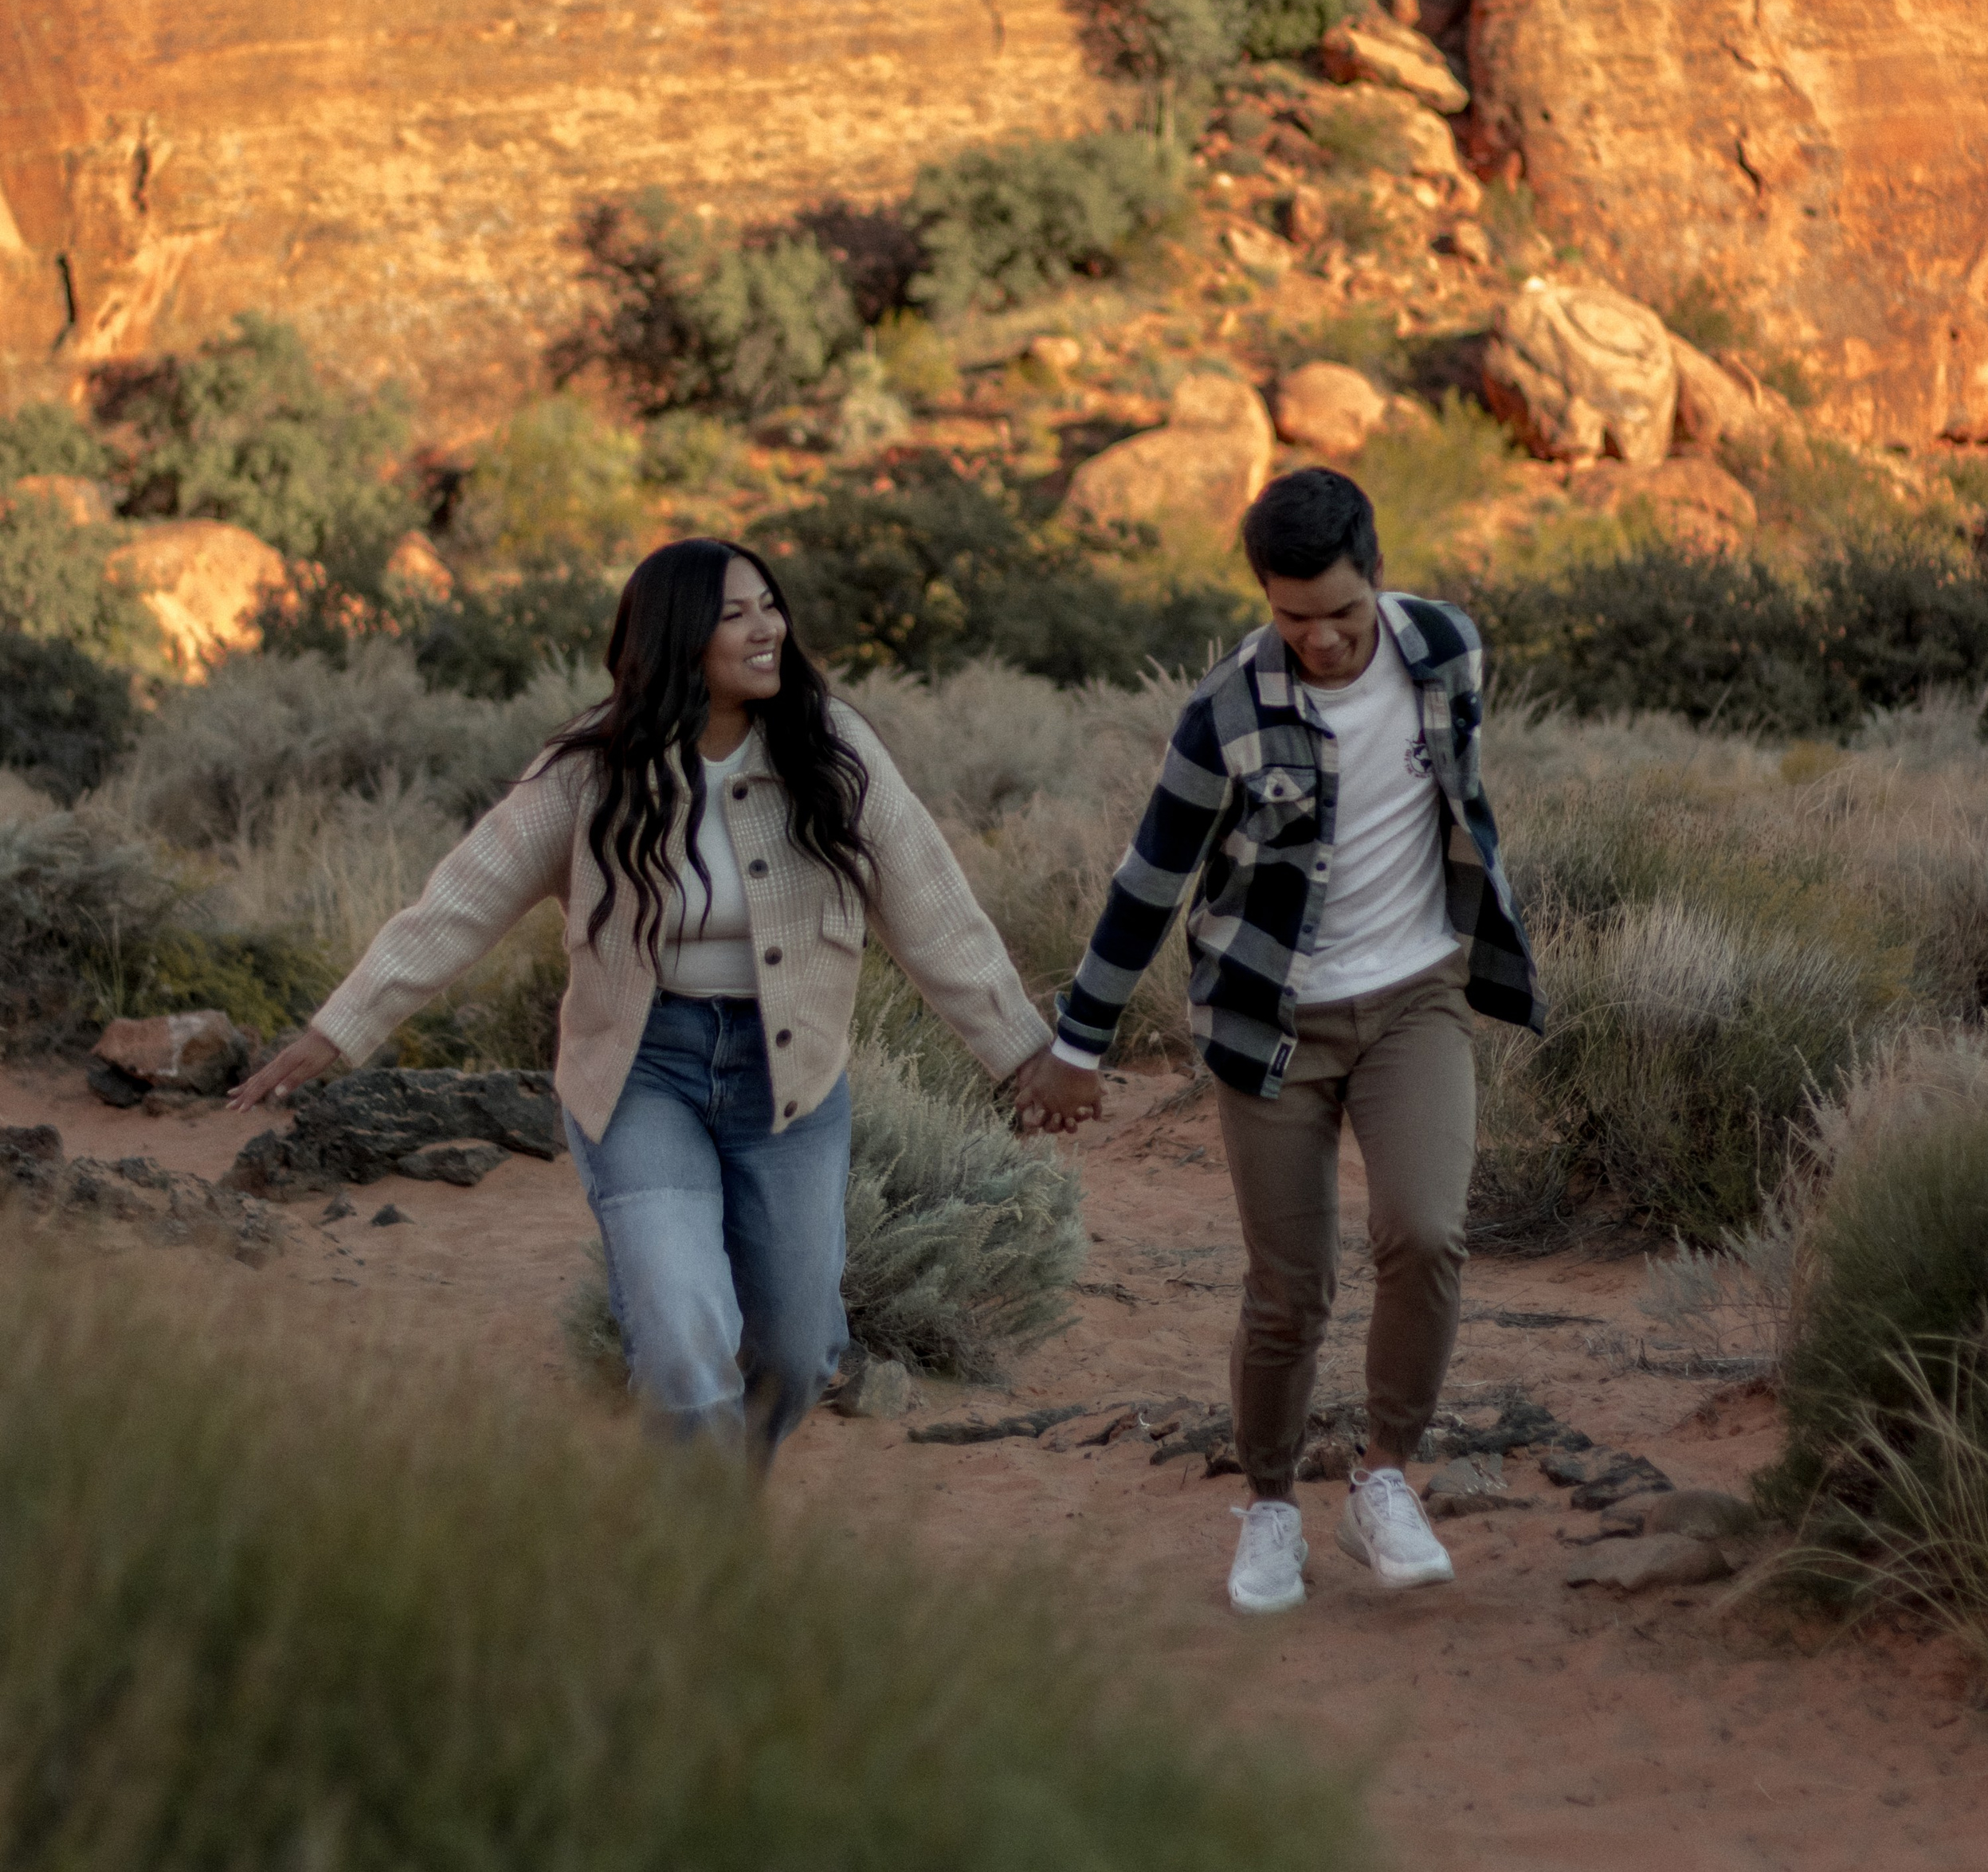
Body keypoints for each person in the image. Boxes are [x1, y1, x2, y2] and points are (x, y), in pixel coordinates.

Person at [231, 538, 1057, 1463]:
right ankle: (697, 1561)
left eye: (770, 605)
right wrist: (337, 1029)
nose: (767, 627)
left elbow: (930, 904)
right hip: (639, 1070)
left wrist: (1025, 1050)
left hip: (788, 1079)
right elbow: (461, 902)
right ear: (675, 637)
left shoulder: (831, 746)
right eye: (735, 612)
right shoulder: (592, 768)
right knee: (680, 1338)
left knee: (795, 1347)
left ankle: (722, 1496)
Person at [1015, 466, 1540, 1610]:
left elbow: (1461, 792)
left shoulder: (1447, 648)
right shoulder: (1225, 711)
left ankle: (1383, 1478)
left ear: (1381, 580)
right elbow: (1149, 882)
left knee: (1428, 1231)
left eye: (1342, 615)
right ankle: (1266, 1505)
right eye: (1292, 617)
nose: (1320, 640)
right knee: (1288, 1288)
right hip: (1269, 1021)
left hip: (1416, 996)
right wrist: (1080, 1040)